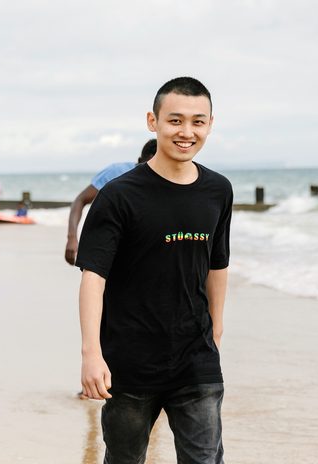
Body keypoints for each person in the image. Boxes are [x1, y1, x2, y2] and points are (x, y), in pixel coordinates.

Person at [75, 77, 232, 464]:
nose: (186, 132)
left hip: (196, 360)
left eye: (198, 121)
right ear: (153, 121)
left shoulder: (218, 190)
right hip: (129, 362)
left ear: (210, 124)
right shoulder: (119, 195)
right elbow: (94, 277)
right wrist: (91, 353)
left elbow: (218, 263)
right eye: (175, 120)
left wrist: (216, 326)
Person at [64, 139, 156, 265]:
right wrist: (72, 237)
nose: (151, 173)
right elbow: (80, 200)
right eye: (148, 166)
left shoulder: (166, 184)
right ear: (139, 161)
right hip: (106, 247)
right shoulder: (116, 172)